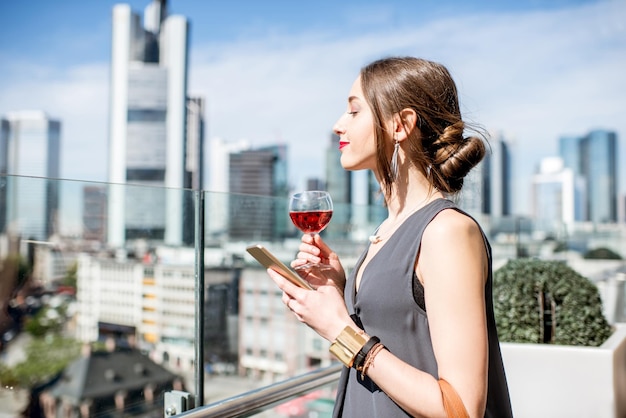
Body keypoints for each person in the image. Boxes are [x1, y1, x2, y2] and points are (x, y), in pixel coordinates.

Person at [267, 56, 513, 417]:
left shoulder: (447, 232)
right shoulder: (387, 228)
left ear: (401, 125)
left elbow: (461, 408)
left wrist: (339, 329)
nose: (338, 125)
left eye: (354, 112)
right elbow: (397, 334)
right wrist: (340, 288)